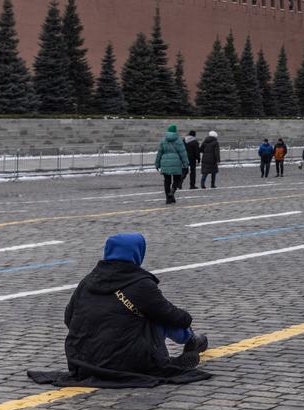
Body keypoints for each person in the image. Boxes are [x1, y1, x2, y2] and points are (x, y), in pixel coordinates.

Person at [61, 233, 208, 382]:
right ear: (137, 253)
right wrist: (187, 317)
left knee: (149, 312)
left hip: (83, 362)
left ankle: (187, 343)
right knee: (157, 316)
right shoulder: (140, 284)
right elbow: (174, 317)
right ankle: (190, 339)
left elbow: (69, 318)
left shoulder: (87, 281)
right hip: (128, 361)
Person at [155, 125, 189, 204]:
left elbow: (159, 153)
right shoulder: (179, 140)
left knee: (167, 181)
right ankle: (172, 192)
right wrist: (186, 164)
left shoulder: (163, 140)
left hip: (165, 163)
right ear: (175, 131)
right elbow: (183, 153)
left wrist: (157, 164)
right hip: (176, 163)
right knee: (177, 179)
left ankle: (168, 198)